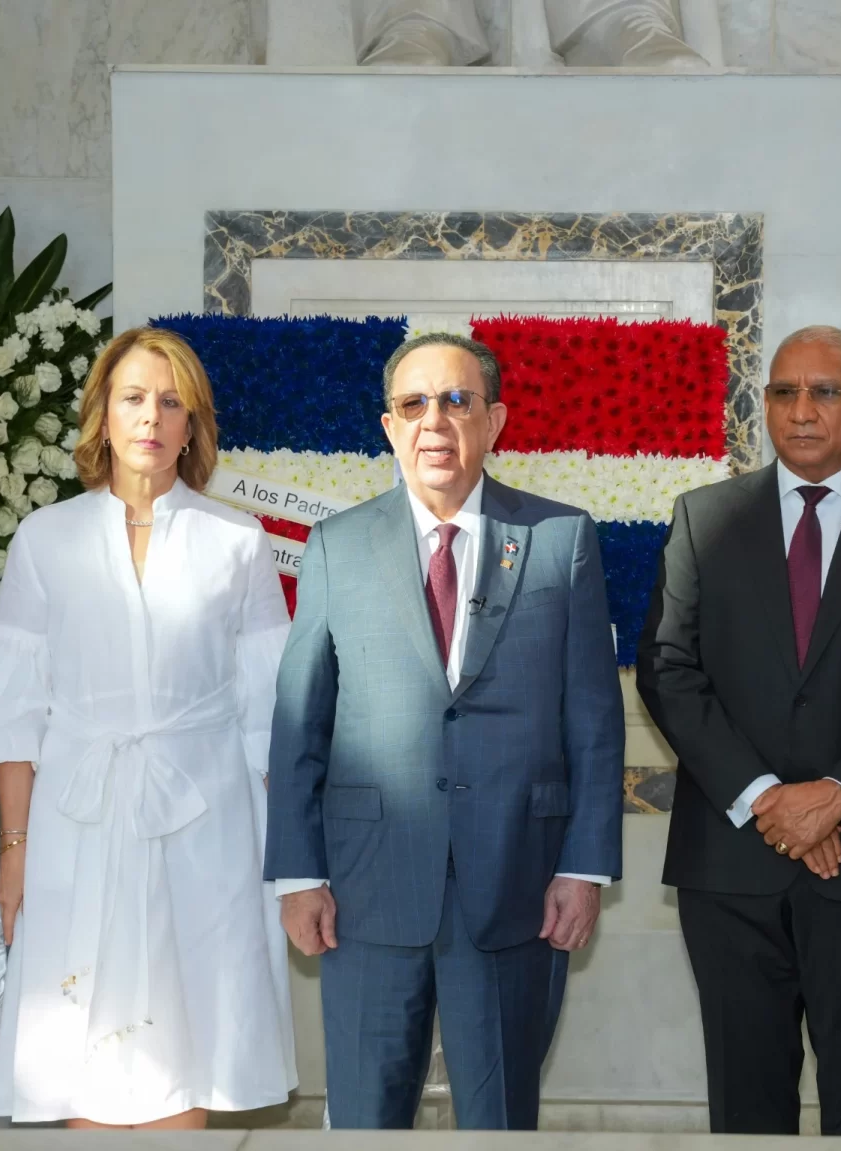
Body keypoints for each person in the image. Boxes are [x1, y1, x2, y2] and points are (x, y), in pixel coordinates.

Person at [264, 330, 624, 1130]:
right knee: (363, 1117)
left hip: (516, 889)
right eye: (414, 403)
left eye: (457, 401)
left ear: (494, 421)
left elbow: (594, 723)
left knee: (498, 1120)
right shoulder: (336, 546)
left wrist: (585, 867)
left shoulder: (561, 541)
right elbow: (299, 724)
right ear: (389, 426)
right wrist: (296, 874)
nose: (436, 420)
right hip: (366, 891)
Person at [0, 327, 296, 1128]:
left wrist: (297, 865)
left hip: (207, 819)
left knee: (192, 1043)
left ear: (193, 424)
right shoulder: (47, 539)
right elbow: (17, 718)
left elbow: (269, 717)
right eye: (134, 397)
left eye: (172, 402)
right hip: (79, 820)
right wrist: (16, 854)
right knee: (80, 1050)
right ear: (102, 414)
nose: (152, 416)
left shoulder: (238, 542)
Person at [637, 325, 841, 1136]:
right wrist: (767, 800)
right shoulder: (705, 517)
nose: (802, 411)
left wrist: (837, 795)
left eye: (824, 392)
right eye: (784, 392)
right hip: (731, 860)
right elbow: (669, 670)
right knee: (746, 1101)